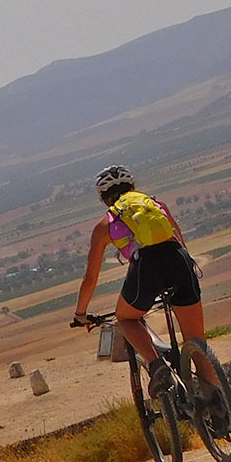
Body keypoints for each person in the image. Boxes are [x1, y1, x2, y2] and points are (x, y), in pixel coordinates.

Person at [71, 165, 211, 397]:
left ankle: (157, 366)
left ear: (103, 198)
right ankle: (218, 407)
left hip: (146, 268)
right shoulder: (156, 205)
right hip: (179, 261)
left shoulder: (105, 225)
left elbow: (90, 278)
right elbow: (179, 239)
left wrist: (80, 314)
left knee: (125, 317)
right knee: (196, 342)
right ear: (133, 187)